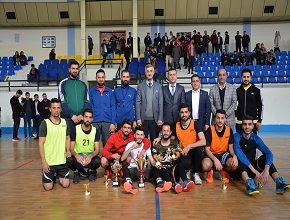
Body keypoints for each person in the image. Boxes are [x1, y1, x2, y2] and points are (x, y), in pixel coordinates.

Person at [233, 115, 290, 195]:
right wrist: (253, 170)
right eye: (245, 124)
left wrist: (266, 170)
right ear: (242, 126)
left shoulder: (255, 138)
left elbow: (269, 153)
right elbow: (239, 154)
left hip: (252, 171)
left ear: (253, 126)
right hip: (238, 171)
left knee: (265, 158)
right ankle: (249, 185)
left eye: (249, 124)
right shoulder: (236, 137)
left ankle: (279, 183)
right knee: (239, 158)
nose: (247, 127)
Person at [39, 98, 71, 191]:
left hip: (62, 162)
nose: (56, 110)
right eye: (54, 108)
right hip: (50, 163)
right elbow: (41, 143)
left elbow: (68, 138)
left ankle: (57, 176)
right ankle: (51, 176)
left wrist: (68, 150)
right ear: (50, 109)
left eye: (58, 108)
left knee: (65, 185)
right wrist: (44, 162)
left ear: (61, 109)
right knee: (48, 188)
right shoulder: (45, 123)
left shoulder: (65, 122)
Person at [152, 123, 194, 193]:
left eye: (167, 131)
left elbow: (178, 153)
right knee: (160, 169)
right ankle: (174, 185)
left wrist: (177, 157)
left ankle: (185, 182)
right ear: (161, 132)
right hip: (162, 171)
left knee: (180, 165)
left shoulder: (174, 142)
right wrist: (158, 158)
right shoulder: (157, 144)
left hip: (172, 170)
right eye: (164, 131)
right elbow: (154, 156)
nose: (165, 133)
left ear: (170, 132)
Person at [202, 109, 238, 184]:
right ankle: (210, 171)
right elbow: (207, 149)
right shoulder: (210, 130)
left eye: (222, 118)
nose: (220, 120)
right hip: (211, 153)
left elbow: (231, 147)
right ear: (215, 119)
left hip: (224, 154)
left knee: (234, 165)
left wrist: (234, 156)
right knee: (205, 165)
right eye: (218, 118)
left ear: (225, 119)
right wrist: (215, 159)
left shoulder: (229, 130)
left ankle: (223, 171)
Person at [66, 109, 101, 184]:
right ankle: (76, 172)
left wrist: (91, 156)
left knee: (98, 161)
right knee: (69, 160)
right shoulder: (75, 129)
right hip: (78, 156)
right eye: (86, 117)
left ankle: (91, 171)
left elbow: (97, 150)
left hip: (89, 156)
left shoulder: (95, 130)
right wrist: (76, 155)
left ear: (92, 119)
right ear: (82, 117)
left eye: (90, 117)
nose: (87, 119)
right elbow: (71, 148)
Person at [176, 103, 206, 185]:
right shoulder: (176, 125)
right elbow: (171, 141)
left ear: (189, 113)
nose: (184, 114)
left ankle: (196, 173)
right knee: (183, 162)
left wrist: (190, 146)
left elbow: (203, 141)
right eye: (182, 112)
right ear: (179, 114)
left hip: (195, 151)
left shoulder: (196, 123)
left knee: (200, 150)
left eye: (186, 112)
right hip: (184, 152)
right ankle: (188, 170)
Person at [58, 60, 90, 137]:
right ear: (69, 70)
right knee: (69, 144)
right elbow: (62, 102)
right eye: (73, 68)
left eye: (76, 68)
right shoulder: (63, 83)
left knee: (80, 144)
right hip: (68, 119)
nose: (75, 70)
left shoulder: (83, 84)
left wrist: (81, 115)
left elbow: (87, 102)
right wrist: (71, 115)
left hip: (81, 119)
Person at [121, 126, 156, 195]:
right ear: (134, 135)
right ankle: (129, 183)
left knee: (155, 170)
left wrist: (156, 164)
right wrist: (131, 148)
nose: (139, 137)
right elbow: (122, 159)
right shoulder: (130, 144)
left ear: (144, 136)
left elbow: (151, 160)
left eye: (141, 135)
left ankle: (160, 182)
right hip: (133, 170)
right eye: (137, 134)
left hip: (143, 171)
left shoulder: (146, 145)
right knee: (124, 169)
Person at [136, 64, 163, 145]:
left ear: (154, 72)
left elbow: (160, 103)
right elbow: (138, 102)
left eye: (151, 71)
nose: (149, 73)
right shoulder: (140, 86)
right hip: (143, 119)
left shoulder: (159, 86)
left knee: (154, 141)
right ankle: (143, 157)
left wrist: (160, 118)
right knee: (143, 142)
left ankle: (153, 157)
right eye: (147, 71)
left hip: (155, 120)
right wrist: (138, 118)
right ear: (145, 73)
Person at [89, 69, 116, 146]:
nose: (101, 79)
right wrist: (91, 120)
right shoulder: (91, 91)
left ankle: (105, 158)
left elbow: (113, 107)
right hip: (95, 122)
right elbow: (90, 106)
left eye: (102, 77)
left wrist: (113, 123)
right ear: (96, 78)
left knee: (107, 145)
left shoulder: (110, 92)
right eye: (99, 77)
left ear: (105, 78)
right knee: (93, 144)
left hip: (107, 122)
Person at [236, 68, 263, 134]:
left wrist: (259, 121)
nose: (246, 79)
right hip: (240, 122)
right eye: (244, 77)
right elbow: (234, 105)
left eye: (248, 77)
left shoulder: (256, 91)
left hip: (253, 122)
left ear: (251, 78)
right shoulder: (237, 91)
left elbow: (260, 106)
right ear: (241, 78)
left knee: (252, 143)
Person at [162, 68, 185, 138]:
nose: (172, 76)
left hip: (178, 119)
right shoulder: (163, 88)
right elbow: (161, 104)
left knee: (178, 138)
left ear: (176, 76)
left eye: (174, 75)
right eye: (170, 75)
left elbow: (183, 104)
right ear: (168, 77)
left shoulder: (181, 88)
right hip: (166, 119)